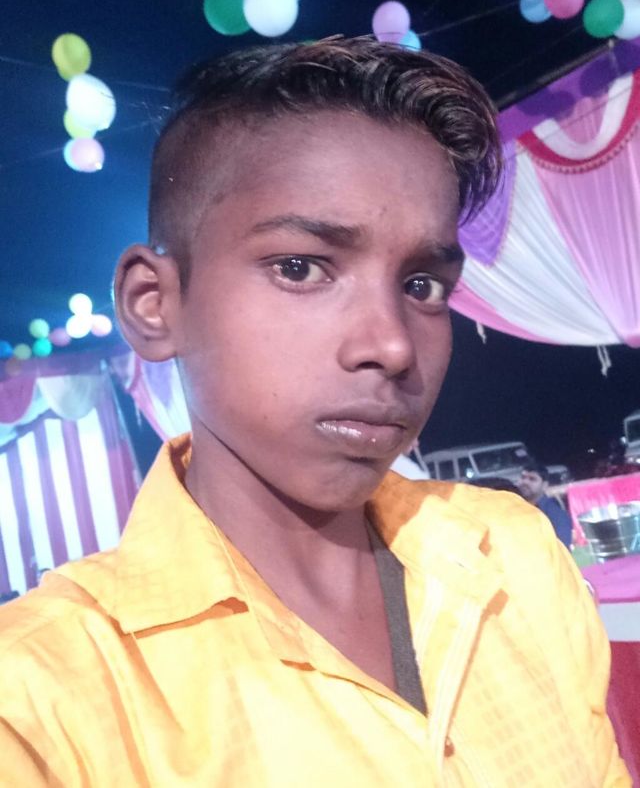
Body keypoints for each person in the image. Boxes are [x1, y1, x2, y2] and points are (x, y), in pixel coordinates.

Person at [0, 38, 629, 786]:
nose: (392, 344)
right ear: (154, 303)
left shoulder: (513, 555)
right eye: (301, 268)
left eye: (423, 285)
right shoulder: (41, 699)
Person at [518, 460, 573, 549]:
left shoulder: (555, 514)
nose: (525, 482)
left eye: (532, 479)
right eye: (523, 477)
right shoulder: (516, 507)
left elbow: (562, 549)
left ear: (544, 485)